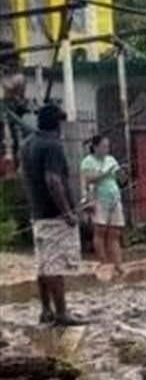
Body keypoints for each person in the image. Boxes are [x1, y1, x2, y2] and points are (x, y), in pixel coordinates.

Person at [19, 104, 83, 326]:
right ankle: (62, 313)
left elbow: (24, 176)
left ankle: (46, 310)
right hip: (55, 216)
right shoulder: (53, 145)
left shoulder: (27, 144)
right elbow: (53, 180)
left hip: (38, 214)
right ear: (58, 124)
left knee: (44, 264)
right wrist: (67, 213)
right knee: (55, 266)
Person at [81, 135, 125, 277]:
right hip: (99, 198)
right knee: (100, 231)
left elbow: (120, 178)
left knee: (115, 232)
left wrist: (122, 173)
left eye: (107, 146)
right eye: (103, 146)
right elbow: (88, 179)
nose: (106, 149)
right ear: (95, 147)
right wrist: (104, 173)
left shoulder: (111, 159)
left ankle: (118, 264)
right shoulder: (88, 161)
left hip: (114, 197)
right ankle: (104, 262)